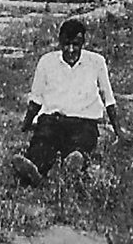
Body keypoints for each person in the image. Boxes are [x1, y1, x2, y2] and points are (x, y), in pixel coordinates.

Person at [15, 18, 126, 187]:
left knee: (81, 143)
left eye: (76, 44)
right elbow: (35, 100)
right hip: (53, 119)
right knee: (43, 141)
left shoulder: (96, 62)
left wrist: (118, 132)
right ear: (59, 41)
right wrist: (25, 126)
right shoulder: (46, 62)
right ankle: (35, 172)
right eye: (66, 44)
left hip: (84, 121)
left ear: (83, 43)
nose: (71, 49)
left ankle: (74, 164)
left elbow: (109, 100)